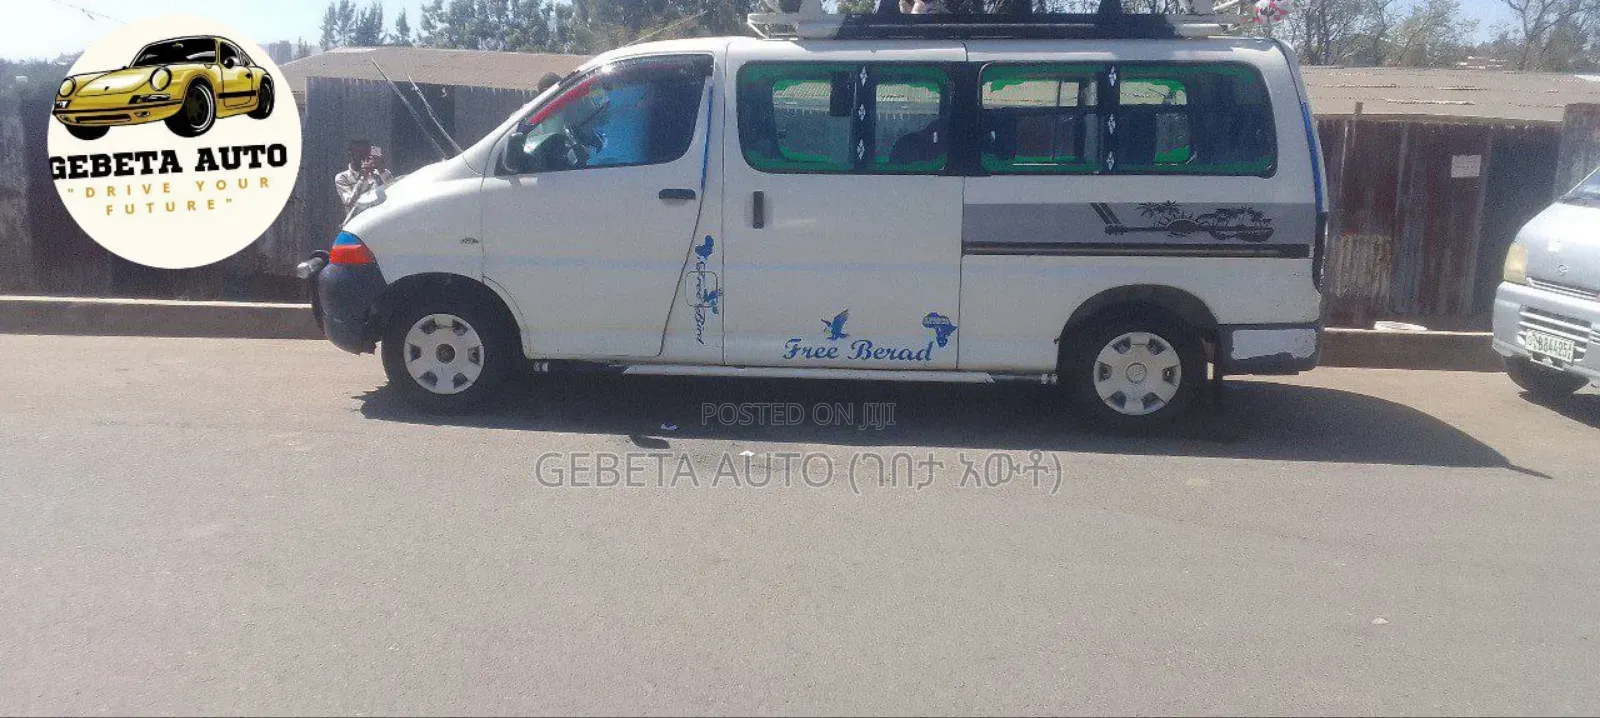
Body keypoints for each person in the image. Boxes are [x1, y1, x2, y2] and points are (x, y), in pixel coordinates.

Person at [334, 140, 393, 215]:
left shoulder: (381, 173)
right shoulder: (342, 177)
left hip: (382, 216)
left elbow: (393, 193)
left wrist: (381, 170)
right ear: (351, 154)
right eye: (360, 153)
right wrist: (362, 177)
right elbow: (350, 203)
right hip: (361, 221)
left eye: (367, 152)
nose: (364, 156)